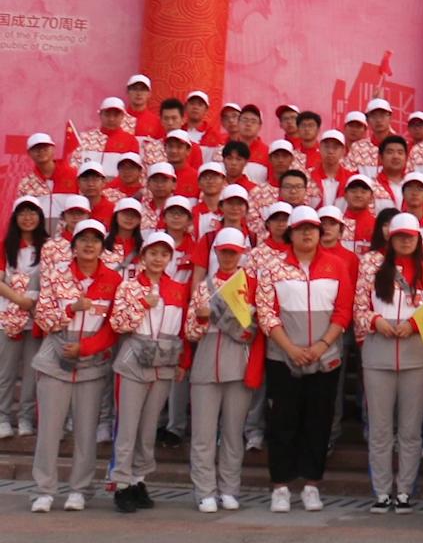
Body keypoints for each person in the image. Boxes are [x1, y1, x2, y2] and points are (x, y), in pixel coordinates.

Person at [255, 205, 355, 513]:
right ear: (291, 234)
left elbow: (343, 311)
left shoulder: (337, 265)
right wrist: (291, 348)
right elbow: (266, 312)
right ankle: (280, 486)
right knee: (282, 422)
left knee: (319, 422)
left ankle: (312, 485)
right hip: (282, 357)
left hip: (325, 358)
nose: (308, 233)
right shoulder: (273, 267)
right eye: (301, 229)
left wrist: (322, 345)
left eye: (312, 228)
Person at [28, 219, 121, 511]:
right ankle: (44, 490)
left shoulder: (114, 280)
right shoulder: (56, 275)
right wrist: (71, 308)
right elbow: (43, 317)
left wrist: (87, 347)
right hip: (55, 358)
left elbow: (114, 326)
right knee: (49, 430)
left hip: (91, 363)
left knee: (85, 431)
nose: (89, 245)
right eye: (83, 239)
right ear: (74, 244)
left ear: (102, 246)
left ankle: (80, 489)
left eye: (95, 240)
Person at [353, 212, 423, 513]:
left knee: (410, 430)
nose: (405, 241)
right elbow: (358, 307)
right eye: (400, 236)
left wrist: (414, 325)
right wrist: (375, 321)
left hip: (415, 358)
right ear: (390, 238)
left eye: (410, 236)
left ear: (418, 239)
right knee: (380, 429)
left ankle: (404, 491)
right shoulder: (371, 266)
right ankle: (381, 491)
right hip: (377, 356)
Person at [107, 232, 191, 512]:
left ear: (170, 258)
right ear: (143, 256)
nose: (158, 259)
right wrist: (143, 304)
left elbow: (183, 330)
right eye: (153, 253)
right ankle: (121, 484)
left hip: (163, 365)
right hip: (133, 362)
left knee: (148, 427)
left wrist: (183, 362)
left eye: (164, 254)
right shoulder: (129, 286)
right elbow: (118, 323)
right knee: (127, 426)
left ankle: (138, 479)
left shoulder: (177, 288)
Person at [184, 228, 259, 511]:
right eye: (224, 251)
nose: (228, 256)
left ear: (241, 254)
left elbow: (251, 330)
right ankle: (204, 490)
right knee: (202, 434)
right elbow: (190, 331)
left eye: (233, 252)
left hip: (238, 364)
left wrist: (219, 316)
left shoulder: (249, 285)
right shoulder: (203, 286)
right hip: (205, 364)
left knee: (232, 433)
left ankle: (229, 489)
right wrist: (202, 320)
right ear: (216, 252)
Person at [0, 196, 49, 438]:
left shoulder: (48, 247)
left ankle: (26, 419)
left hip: (37, 318)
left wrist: (34, 304)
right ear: (15, 218)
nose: (27, 218)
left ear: (40, 217)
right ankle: (2, 418)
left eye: (32, 212)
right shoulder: (5, 246)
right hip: (8, 317)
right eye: (22, 213)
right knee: (5, 371)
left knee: (32, 371)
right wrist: (20, 301)